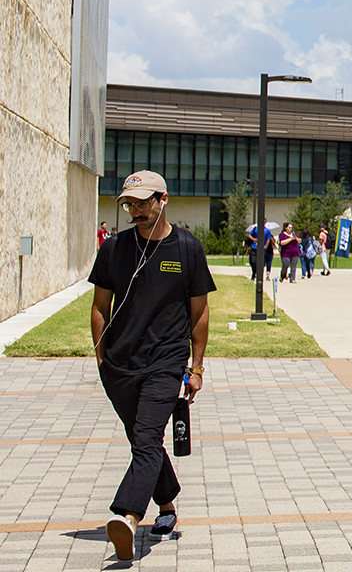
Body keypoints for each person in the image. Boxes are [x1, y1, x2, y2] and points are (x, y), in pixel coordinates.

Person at [89, 172, 215, 561]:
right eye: (130, 204)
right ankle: (168, 506)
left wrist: (196, 367)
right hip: (120, 366)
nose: (136, 211)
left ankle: (127, 517)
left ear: (163, 199)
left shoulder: (187, 249)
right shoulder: (113, 248)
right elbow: (99, 306)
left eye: (143, 203)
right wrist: (101, 358)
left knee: (146, 437)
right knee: (141, 440)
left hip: (165, 362)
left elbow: (200, 312)